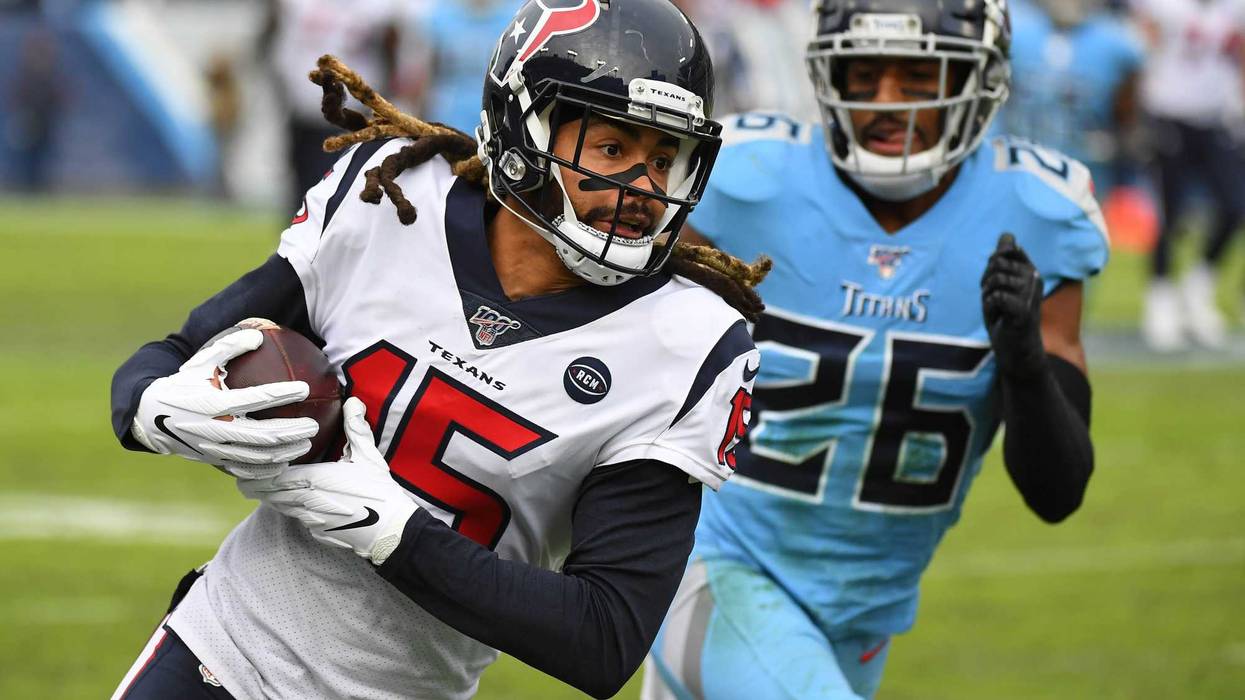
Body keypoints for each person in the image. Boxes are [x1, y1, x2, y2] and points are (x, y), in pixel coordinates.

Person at [108, 1, 768, 698]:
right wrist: (150, 406)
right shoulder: (390, 198)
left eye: (662, 159)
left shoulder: (687, 343)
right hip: (220, 648)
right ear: (522, 131)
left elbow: (604, 637)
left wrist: (397, 535)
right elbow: (175, 352)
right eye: (611, 149)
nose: (641, 188)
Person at [643, 0, 1105, 698]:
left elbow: (1057, 491)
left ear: (979, 78)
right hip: (715, 562)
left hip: (865, 618)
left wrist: (1024, 365)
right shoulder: (741, 184)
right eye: (863, 72)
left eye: (918, 75)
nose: (886, 102)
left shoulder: (1034, 215)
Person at [1133, 0, 1245, 351]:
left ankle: (1198, 287)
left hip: (1216, 118)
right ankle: (1161, 297)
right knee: (1170, 213)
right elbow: (1139, 46)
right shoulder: (1165, 6)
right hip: (1169, 114)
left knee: (1235, 206)